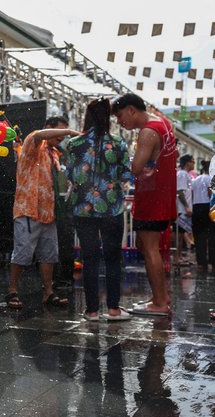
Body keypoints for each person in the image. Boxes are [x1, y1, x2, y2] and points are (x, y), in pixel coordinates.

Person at [65, 98, 132, 321]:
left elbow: (71, 176)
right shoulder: (118, 143)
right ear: (107, 117)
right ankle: (113, 309)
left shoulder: (74, 144)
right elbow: (125, 175)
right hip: (111, 208)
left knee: (89, 258)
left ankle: (92, 310)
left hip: (83, 209)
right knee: (113, 259)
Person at [112, 93, 176, 316]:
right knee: (145, 246)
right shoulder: (161, 122)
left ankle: (159, 302)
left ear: (131, 109)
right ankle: (161, 296)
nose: (120, 122)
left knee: (149, 249)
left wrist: (117, 158)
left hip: (152, 196)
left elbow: (136, 167)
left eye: (120, 116)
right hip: (159, 194)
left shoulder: (148, 131)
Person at [6, 116, 79, 309]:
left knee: (49, 255)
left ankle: (48, 293)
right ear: (49, 128)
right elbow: (40, 134)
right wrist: (69, 132)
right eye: (60, 131)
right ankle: (12, 291)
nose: (62, 136)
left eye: (65, 132)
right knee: (22, 253)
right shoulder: (34, 141)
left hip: (48, 212)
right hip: (28, 209)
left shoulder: (54, 153)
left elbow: (58, 182)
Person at [191, 160, 212, 273]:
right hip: (208, 208)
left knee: (199, 236)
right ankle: (212, 261)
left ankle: (201, 262)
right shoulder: (211, 179)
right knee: (212, 236)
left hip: (196, 208)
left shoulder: (195, 180)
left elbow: (193, 195)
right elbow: (210, 193)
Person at [175, 154, 194, 265]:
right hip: (181, 210)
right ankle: (177, 257)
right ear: (187, 163)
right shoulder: (182, 174)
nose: (193, 164)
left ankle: (180, 256)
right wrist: (186, 206)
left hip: (184, 209)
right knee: (179, 235)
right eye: (192, 161)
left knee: (182, 235)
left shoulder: (186, 174)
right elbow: (180, 191)